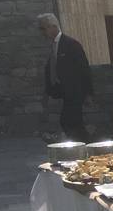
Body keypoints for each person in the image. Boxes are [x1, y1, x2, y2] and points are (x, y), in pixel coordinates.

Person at [38, 13, 92, 143]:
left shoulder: (71, 44)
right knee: (73, 123)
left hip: (75, 91)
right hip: (66, 92)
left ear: (53, 27)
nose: (42, 33)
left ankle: (83, 145)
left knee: (69, 121)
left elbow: (84, 69)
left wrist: (88, 93)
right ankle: (82, 146)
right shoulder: (55, 45)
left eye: (43, 29)